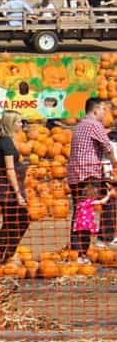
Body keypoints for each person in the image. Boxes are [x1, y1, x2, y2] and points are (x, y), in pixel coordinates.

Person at [67, 97, 116, 251]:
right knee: (85, 212)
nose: (105, 112)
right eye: (103, 109)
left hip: (75, 174)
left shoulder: (80, 125)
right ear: (95, 110)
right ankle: (81, 252)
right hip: (88, 175)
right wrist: (115, 163)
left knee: (79, 210)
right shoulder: (95, 125)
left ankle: (78, 250)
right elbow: (108, 147)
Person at [0, 111, 29, 265]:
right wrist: (18, 194)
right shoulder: (5, 141)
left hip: (5, 186)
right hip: (8, 188)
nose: (22, 125)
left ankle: (0, 255)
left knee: (9, 222)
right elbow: (10, 169)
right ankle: (5, 255)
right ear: (11, 123)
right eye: (19, 122)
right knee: (22, 221)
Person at [72, 179, 115, 261]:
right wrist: (108, 195)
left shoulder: (81, 202)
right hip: (86, 225)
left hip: (79, 225)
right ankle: (82, 255)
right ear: (92, 195)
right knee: (86, 241)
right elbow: (102, 201)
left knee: (81, 240)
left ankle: (81, 255)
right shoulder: (90, 202)